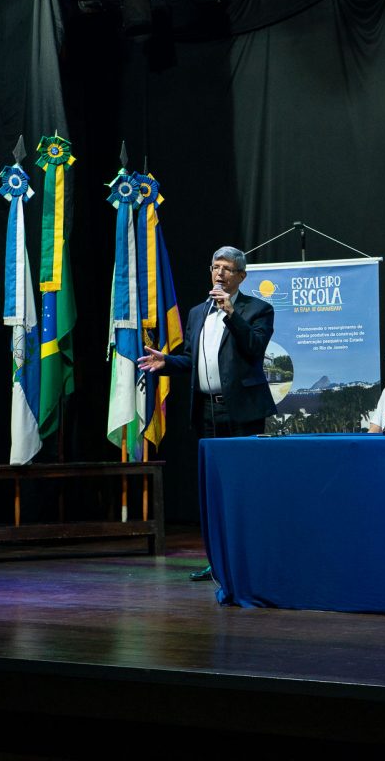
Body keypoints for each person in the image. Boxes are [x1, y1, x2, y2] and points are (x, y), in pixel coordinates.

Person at [138, 245, 276, 581]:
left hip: (242, 413)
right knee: (214, 489)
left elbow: (255, 348)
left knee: (244, 487)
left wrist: (231, 313)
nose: (220, 273)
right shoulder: (198, 312)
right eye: (215, 266)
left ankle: (250, 562)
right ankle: (217, 561)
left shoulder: (258, 309)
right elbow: (192, 359)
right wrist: (167, 362)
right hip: (207, 413)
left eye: (227, 268)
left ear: (241, 276)